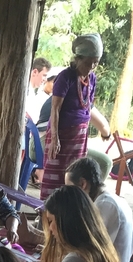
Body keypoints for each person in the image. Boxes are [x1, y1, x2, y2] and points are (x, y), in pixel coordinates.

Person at [40, 33, 111, 201]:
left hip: (79, 136)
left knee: (75, 175)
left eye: (96, 62)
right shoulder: (65, 77)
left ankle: (70, 212)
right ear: (78, 59)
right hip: (62, 134)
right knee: (55, 176)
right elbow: (55, 109)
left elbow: (87, 106)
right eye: (88, 62)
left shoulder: (92, 78)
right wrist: (55, 138)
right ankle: (48, 211)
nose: (92, 66)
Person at [65, 156, 133, 262]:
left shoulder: (105, 204)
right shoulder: (111, 199)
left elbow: (87, 251)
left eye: (71, 190)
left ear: (83, 184)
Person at [25, 56, 53, 124]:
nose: (45, 79)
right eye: (44, 75)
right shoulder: (25, 92)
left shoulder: (31, 92)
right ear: (35, 72)